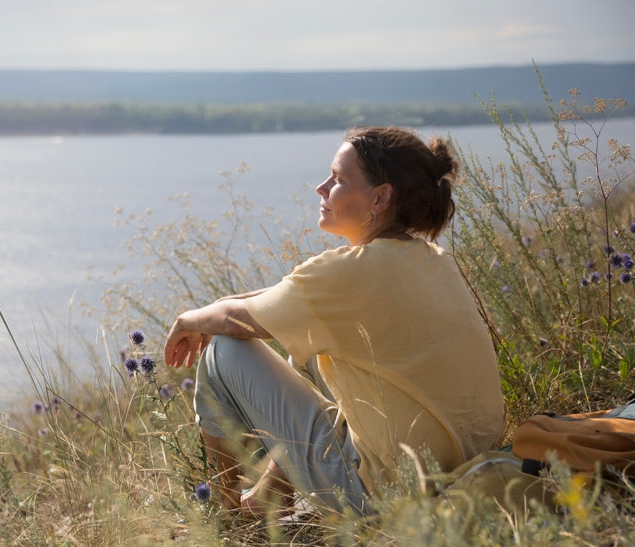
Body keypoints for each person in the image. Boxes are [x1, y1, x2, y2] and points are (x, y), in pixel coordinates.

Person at [163, 126, 505, 517]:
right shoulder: (433, 259)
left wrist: (187, 319)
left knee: (222, 350)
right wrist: (211, 313)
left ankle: (224, 517)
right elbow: (277, 300)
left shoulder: (351, 273)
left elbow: (232, 320)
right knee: (308, 353)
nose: (321, 188)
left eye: (339, 179)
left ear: (381, 197)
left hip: (385, 497)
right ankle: (269, 494)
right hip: (465, 472)